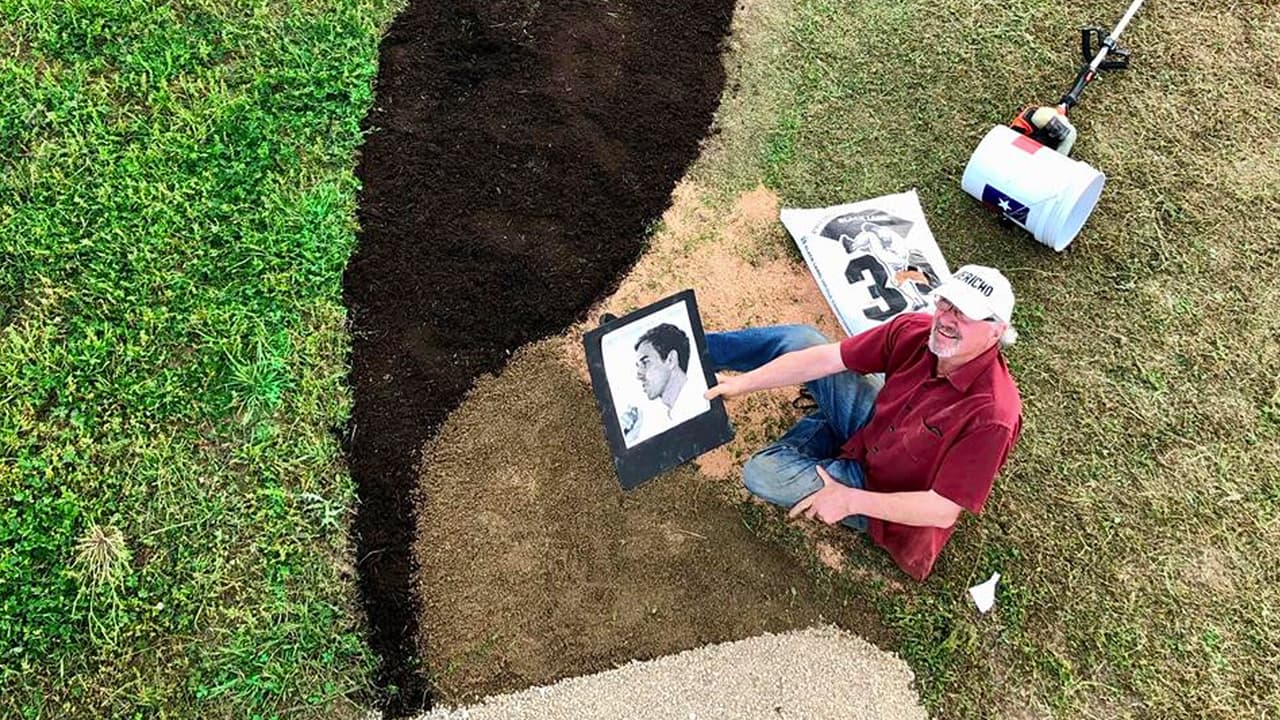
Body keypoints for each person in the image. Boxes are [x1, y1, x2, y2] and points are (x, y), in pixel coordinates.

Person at [703, 265, 1022, 580]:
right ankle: (701, 350)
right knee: (803, 339)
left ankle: (829, 436)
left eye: (964, 314)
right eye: (945, 304)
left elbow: (941, 509)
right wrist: (742, 384)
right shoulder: (913, 330)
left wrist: (849, 500)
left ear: (997, 330)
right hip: (877, 425)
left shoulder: (993, 415)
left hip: (882, 491)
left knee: (763, 474)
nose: (947, 319)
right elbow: (829, 358)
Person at [634, 323, 694, 419]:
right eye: (639, 366)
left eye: (645, 362)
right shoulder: (675, 413)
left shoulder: (697, 402)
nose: (638, 375)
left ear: (671, 360)